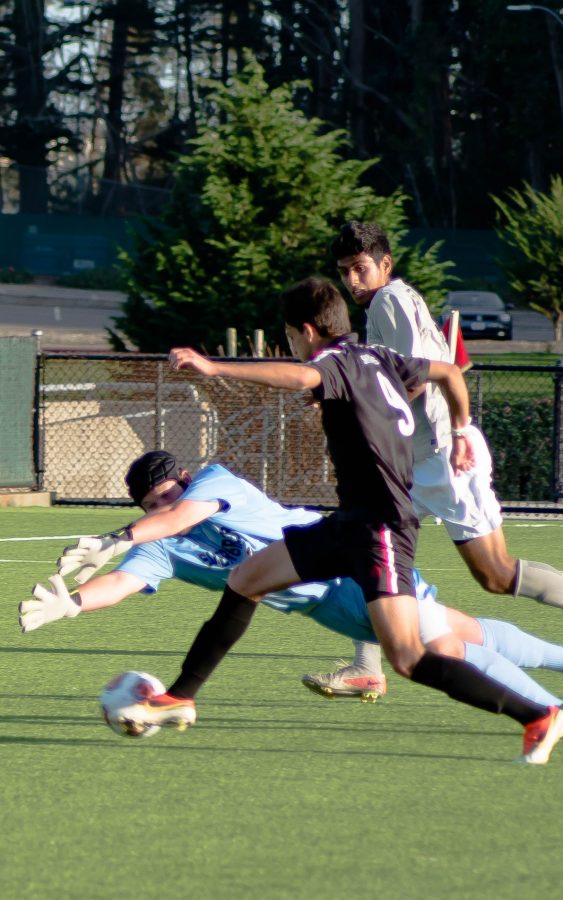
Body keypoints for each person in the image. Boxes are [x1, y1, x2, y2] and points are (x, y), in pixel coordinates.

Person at [52, 277, 563, 763]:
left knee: (411, 656)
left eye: (291, 336)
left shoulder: (335, 361)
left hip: (380, 529)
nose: (292, 345)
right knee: (246, 579)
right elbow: (449, 372)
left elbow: (301, 376)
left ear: (307, 331)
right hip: (350, 524)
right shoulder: (380, 357)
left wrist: (213, 368)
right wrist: (462, 430)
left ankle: (537, 714)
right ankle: (181, 697)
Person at [19, 450, 563, 717]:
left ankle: (548, 712)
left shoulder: (212, 482)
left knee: (446, 644)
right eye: (152, 503)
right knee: (460, 635)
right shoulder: (162, 543)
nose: (164, 505)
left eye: (167, 493)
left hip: (353, 564)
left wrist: (124, 532)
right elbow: (122, 581)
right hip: (323, 609)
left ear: (182, 481)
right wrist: (71, 605)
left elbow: (181, 517)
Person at [303, 220, 563, 699]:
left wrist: (452, 428)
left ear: (385, 264)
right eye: (344, 272)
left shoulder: (390, 300)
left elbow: (417, 377)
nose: (353, 281)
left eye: (361, 268)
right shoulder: (389, 302)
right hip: (412, 462)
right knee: (363, 548)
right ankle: (367, 666)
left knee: (497, 575)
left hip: (442, 459)